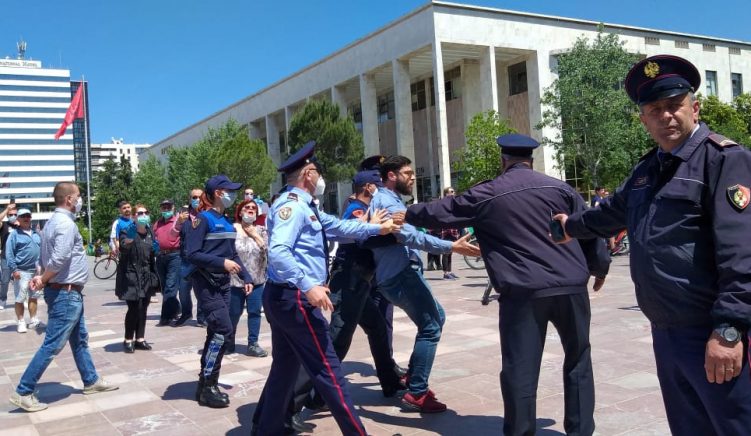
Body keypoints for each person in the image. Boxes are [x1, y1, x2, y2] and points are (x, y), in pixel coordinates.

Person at [554, 54, 751, 435]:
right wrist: (569, 227)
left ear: (694, 107)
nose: (666, 116)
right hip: (666, 331)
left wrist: (728, 330)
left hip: (711, 333)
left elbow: (742, 252)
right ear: (643, 119)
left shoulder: (725, 160)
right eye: (654, 109)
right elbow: (610, 213)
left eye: (674, 105)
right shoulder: (647, 170)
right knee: (690, 428)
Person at [406, 134, 610, 435]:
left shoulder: (487, 193)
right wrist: (599, 267)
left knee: (520, 368)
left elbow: (444, 210)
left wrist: (408, 213)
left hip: (522, 293)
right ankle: (580, 431)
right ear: (531, 161)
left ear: (504, 161)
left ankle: (520, 430)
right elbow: (588, 226)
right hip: (570, 287)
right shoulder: (562, 189)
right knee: (578, 359)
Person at [251, 141, 401, 436]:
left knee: (285, 367)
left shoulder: (305, 207)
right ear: (308, 173)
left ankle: (266, 429)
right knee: (329, 371)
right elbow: (279, 250)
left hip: (283, 296)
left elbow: (339, 227)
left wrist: (376, 228)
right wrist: (309, 287)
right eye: (318, 172)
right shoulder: (292, 207)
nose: (321, 179)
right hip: (296, 298)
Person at [367, 155, 480, 413]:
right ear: (392, 176)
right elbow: (410, 237)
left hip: (399, 274)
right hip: (399, 275)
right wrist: (452, 246)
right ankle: (417, 391)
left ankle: (413, 376)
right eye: (407, 173)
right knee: (431, 325)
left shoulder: (391, 200)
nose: (413, 177)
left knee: (436, 317)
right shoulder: (385, 201)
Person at [9, 182, 118, 413]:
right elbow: (58, 260)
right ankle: (23, 391)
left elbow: (43, 257)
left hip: (67, 292)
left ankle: (91, 380)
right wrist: (44, 278)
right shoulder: (65, 224)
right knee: (52, 344)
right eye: (78, 196)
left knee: (80, 340)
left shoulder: (50, 224)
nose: (80, 200)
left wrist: (42, 276)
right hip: (65, 292)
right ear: (69, 199)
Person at [184, 175, 253, 408]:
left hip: (223, 282)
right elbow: (191, 254)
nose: (232, 194)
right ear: (215, 193)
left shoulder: (225, 221)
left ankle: (206, 383)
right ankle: (209, 385)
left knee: (217, 331)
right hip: (206, 281)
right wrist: (221, 263)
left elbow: (232, 253)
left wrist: (246, 276)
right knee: (223, 329)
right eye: (228, 190)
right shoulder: (201, 220)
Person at [116, 204, 159, 353]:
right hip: (131, 275)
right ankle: (128, 338)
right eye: (140, 213)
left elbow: (152, 252)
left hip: (146, 274)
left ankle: (140, 338)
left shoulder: (149, 232)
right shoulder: (127, 231)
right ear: (134, 216)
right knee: (134, 308)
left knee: (144, 307)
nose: (144, 215)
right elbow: (123, 247)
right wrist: (129, 239)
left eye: (146, 212)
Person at [228, 199, 268, 357]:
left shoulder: (261, 230)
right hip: (235, 279)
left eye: (253, 208)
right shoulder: (232, 228)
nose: (250, 210)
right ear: (240, 211)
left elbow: (268, 250)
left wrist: (255, 235)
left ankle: (253, 343)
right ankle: (229, 341)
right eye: (247, 207)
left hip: (257, 279)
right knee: (233, 312)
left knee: (255, 312)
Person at [6, 208, 42, 333]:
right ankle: (21, 322)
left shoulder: (36, 233)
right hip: (21, 271)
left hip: (36, 272)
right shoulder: (14, 235)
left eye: (28, 216)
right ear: (18, 219)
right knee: (20, 298)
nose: (26, 218)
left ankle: (33, 319)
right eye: (23, 216)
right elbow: (9, 253)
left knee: (34, 297)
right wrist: (14, 269)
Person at [176, 189, 207, 326]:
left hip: (202, 258)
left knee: (201, 291)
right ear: (189, 198)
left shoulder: (207, 214)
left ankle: (202, 317)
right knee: (183, 289)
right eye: (194, 197)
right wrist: (179, 223)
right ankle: (186, 313)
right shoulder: (183, 215)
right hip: (186, 258)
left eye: (200, 197)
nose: (197, 200)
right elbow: (173, 235)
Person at [153, 198, 183, 326]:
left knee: (171, 286)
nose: (166, 209)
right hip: (161, 256)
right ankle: (176, 308)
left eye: (168, 207)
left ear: (173, 208)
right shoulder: (157, 223)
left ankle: (165, 316)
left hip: (174, 255)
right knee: (165, 287)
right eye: (163, 207)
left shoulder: (178, 221)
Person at [438, 187, 461, 280]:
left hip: (453, 230)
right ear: (446, 194)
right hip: (446, 230)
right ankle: (445, 273)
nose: (453, 193)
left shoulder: (453, 203)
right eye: (451, 192)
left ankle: (450, 271)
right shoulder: (443, 203)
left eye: (453, 191)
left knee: (451, 252)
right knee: (446, 253)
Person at [0, 203, 19, 309]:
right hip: (5, 257)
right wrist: (7, 209)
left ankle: (20, 299)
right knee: (5, 280)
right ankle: (2, 300)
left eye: (15, 214)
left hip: (18, 257)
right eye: (11, 214)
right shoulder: (4, 225)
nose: (13, 216)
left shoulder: (19, 225)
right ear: (7, 215)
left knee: (19, 280)